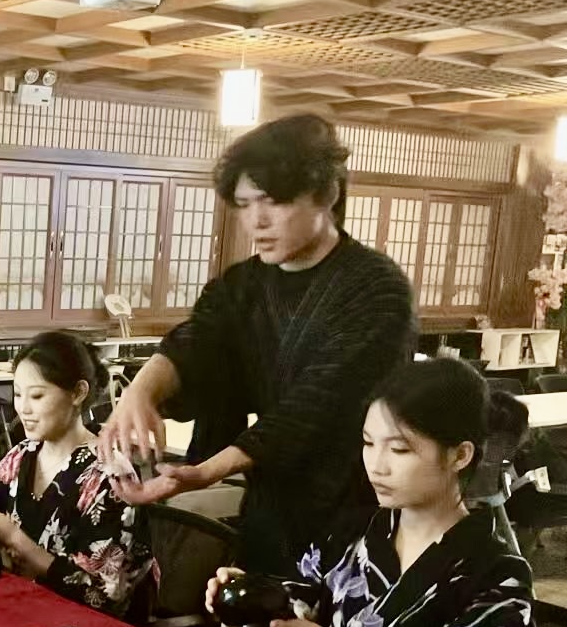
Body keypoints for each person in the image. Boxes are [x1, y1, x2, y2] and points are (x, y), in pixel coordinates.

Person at [98, 114, 417, 573]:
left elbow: (319, 404)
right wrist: (140, 391)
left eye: (273, 201)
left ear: (328, 194)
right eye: (245, 204)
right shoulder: (242, 285)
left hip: (358, 508)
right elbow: (198, 341)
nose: (256, 221)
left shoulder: (376, 289)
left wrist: (206, 471)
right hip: (269, 508)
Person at [207, 358, 535, 627]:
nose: (376, 465)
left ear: (460, 455)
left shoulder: (499, 573)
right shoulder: (353, 533)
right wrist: (255, 604)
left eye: (399, 449)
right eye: (367, 443)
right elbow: (304, 599)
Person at [0, 331, 154, 616]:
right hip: (17, 608)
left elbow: (104, 594)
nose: (23, 408)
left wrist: (14, 537)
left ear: (77, 393)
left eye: (37, 395)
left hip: (83, 626)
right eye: (18, 394)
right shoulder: (22, 455)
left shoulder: (111, 476)